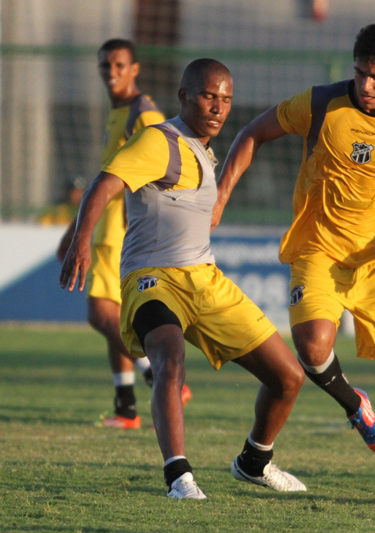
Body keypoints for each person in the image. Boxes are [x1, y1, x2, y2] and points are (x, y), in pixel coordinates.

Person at [212, 23, 375, 496]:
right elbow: (254, 132)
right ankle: (355, 405)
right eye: (359, 73)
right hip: (318, 250)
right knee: (313, 349)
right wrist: (219, 199)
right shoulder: (321, 103)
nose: (365, 85)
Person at [60, 58, 306, 499]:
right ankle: (179, 477)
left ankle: (253, 462)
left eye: (226, 99)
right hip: (152, 278)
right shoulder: (158, 141)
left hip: (205, 279)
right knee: (169, 360)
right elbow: (104, 182)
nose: (218, 107)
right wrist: (81, 238)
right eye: (209, 96)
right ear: (184, 95)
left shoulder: (205, 150)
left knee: (287, 377)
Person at [57, 39, 190, 430]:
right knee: (111, 315)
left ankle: (156, 372)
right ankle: (126, 408)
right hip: (105, 228)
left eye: (118, 64)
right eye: (104, 65)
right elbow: (105, 178)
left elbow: (161, 165)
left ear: (134, 69)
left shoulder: (144, 115)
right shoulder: (119, 113)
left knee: (101, 314)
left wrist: (147, 221)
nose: (110, 72)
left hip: (122, 230)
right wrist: (74, 229)